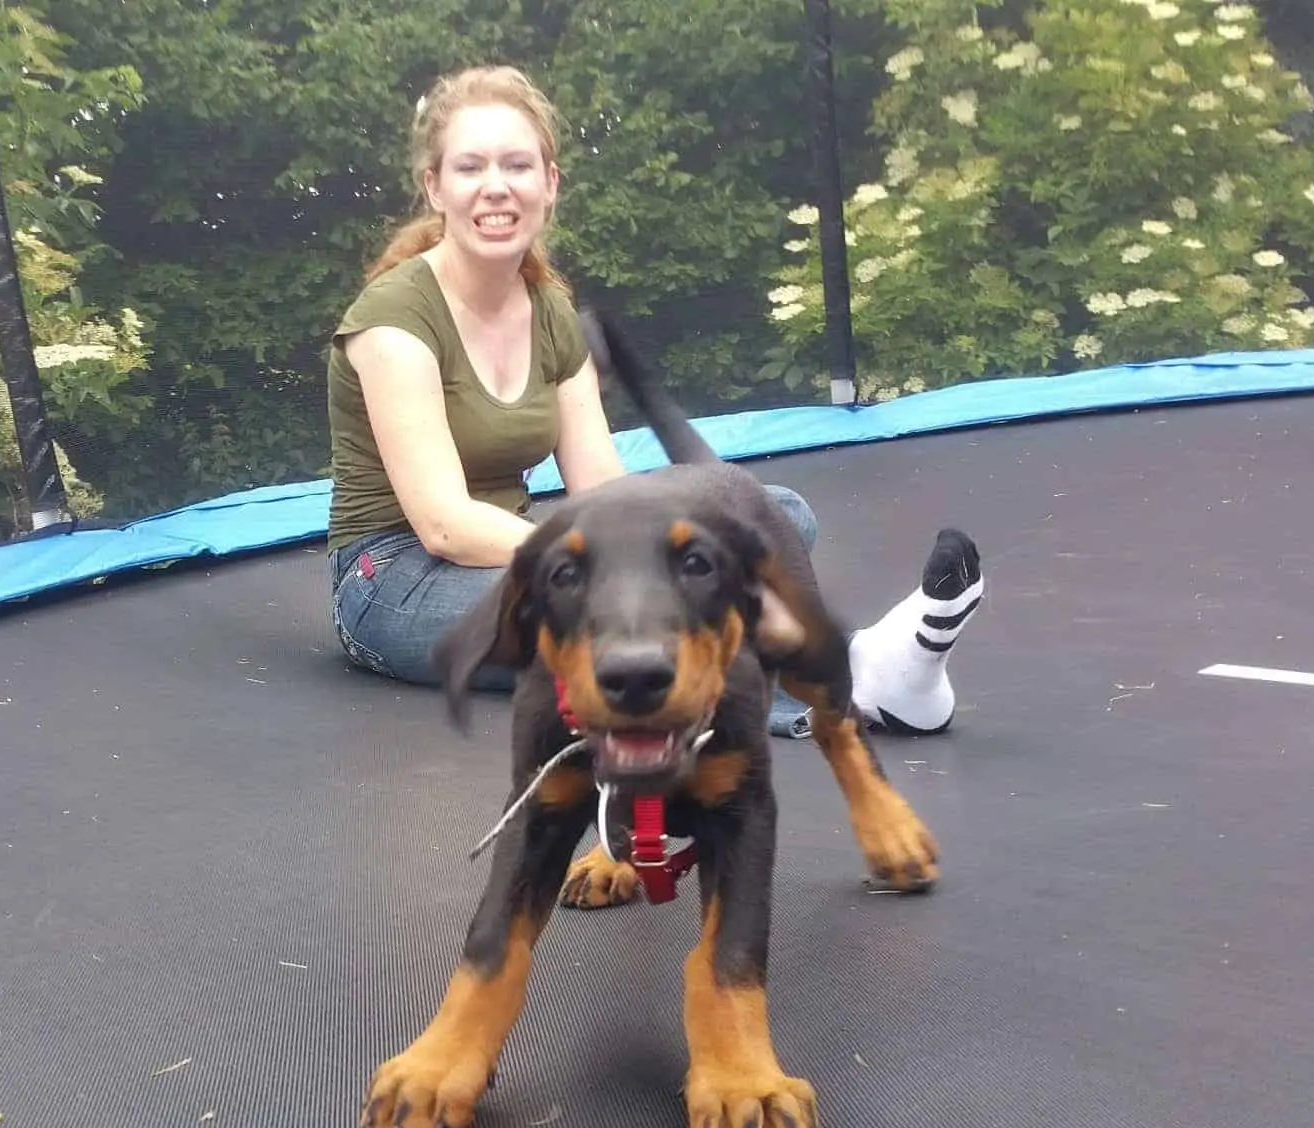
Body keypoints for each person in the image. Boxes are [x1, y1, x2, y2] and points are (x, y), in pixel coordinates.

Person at [323, 64, 985, 737]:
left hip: (508, 560)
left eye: (517, 165)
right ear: (435, 186)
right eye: (471, 168)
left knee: (776, 516)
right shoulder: (396, 319)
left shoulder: (548, 309)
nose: (496, 186)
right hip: (397, 584)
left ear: (549, 184)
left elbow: (601, 487)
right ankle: (846, 678)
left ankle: (850, 666)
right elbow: (445, 526)